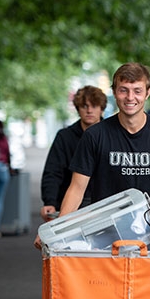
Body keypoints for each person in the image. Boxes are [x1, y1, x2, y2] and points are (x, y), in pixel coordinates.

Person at [34, 63, 150, 250]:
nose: (130, 97)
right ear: (114, 92)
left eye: (137, 90)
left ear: (147, 92)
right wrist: (57, 232)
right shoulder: (95, 135)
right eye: (123, 90)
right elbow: (76, 190)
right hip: (104, 237)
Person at [39, 85, 105, 222]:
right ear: (78, 109)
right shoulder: (65, 136)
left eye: (94, 105)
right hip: (71, 203)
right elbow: (53, 171)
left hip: (105, 202)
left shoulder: (112, 135)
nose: (89, 110)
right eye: (84, 106)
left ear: (101, 108)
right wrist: (49, 201)